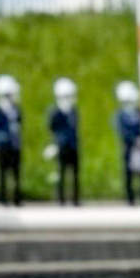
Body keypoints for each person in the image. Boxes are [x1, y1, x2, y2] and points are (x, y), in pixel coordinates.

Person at [0, 73, 26, 207]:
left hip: (14, 145)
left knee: (16, 173)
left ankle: (16, 197)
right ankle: (2, 198)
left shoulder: (16, 110)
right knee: (2, 173)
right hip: (2, 145)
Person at [47, 75, 83, 205]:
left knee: (75, 174)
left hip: (73, 145)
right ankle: (61, 199)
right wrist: (54, 144)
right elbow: (52, 129)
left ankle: (75, 199)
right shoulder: (55, 112)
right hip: (62, 146)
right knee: (61, 173)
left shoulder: (73, 110)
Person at [113, 78, 140, 204]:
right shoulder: (120, 115)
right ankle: (130, 200)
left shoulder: (139, 113)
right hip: (128, 148)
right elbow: (123, 131)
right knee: (128, 175)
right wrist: (134, 141)